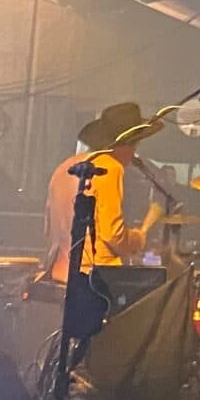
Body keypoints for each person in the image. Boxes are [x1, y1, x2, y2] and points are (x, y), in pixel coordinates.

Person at [43, 101, 165, 283]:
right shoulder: (110, 167)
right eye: (134, 145)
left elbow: (48, 228)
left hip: (58, 272)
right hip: (93, 280)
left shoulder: (65, 166)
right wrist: (139, 237)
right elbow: (113, 234)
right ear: (124, 144)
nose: (134, 153)